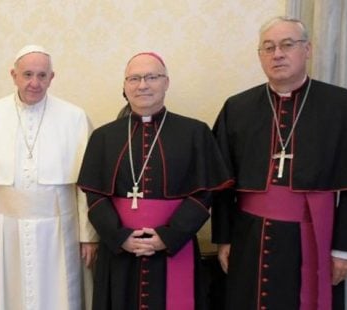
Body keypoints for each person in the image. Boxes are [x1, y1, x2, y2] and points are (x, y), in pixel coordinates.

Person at [212, 16, 347, 310]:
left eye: (287, 45)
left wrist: (346, 250)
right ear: (260, 56)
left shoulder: (344, 106)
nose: (277, 54)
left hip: (313, 236)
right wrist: (224, 238)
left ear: (307, 50)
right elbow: (222, 184)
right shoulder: (237, 107)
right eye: (268, 48)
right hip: (249, 239)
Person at [77, 52, 232, 310]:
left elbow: (204, 195)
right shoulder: (104, 137)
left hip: (174, 244)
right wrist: (120, 236)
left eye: (152, 77)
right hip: (120, 249)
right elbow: (94, 196)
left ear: (166, 82)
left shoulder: (195, 132)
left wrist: (169, 236)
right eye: (134, 78)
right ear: (125, 86)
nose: (142, 85)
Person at [0, 45, 98, 310]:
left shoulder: (75, 117)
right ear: (13, 75)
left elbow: (84, 187)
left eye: (42, 75)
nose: (34, 83)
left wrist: (88, 235)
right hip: (5, 230)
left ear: (52, 77)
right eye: (27, 75)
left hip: (60, 230)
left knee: (59, 297)